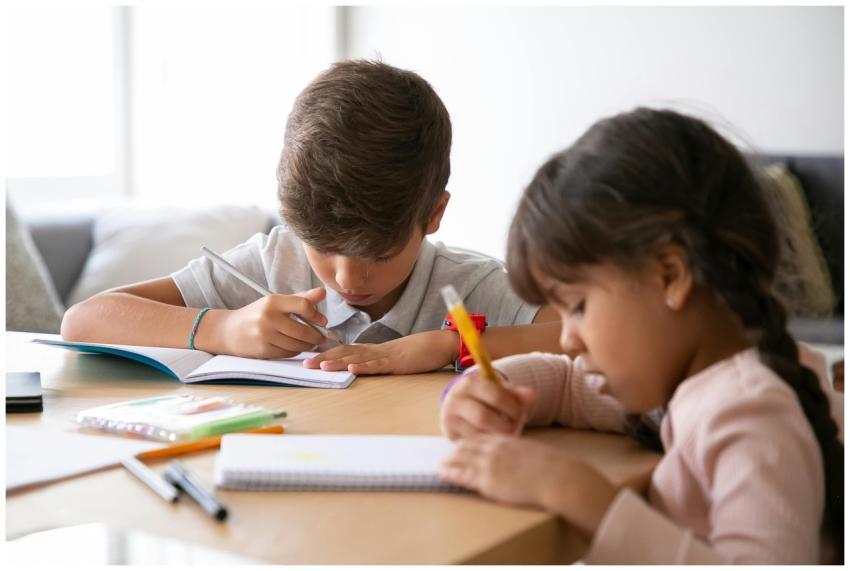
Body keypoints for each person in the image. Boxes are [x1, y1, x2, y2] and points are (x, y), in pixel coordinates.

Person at [437, 108, 844, 564]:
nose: (568, 339)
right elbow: (572, 385)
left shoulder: (749, 414)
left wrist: (580, 495)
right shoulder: (687, 382)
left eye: (578, 306)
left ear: (669, 276)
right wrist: (491, 390)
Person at [61, 60, 560, 372]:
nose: (347, 278)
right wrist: (221, 328)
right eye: (322, 247)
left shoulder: (470, 287)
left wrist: (449, 346)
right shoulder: (271, 264)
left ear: (433, 215)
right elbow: (84, 320)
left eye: (379, 253)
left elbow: (585, 340)